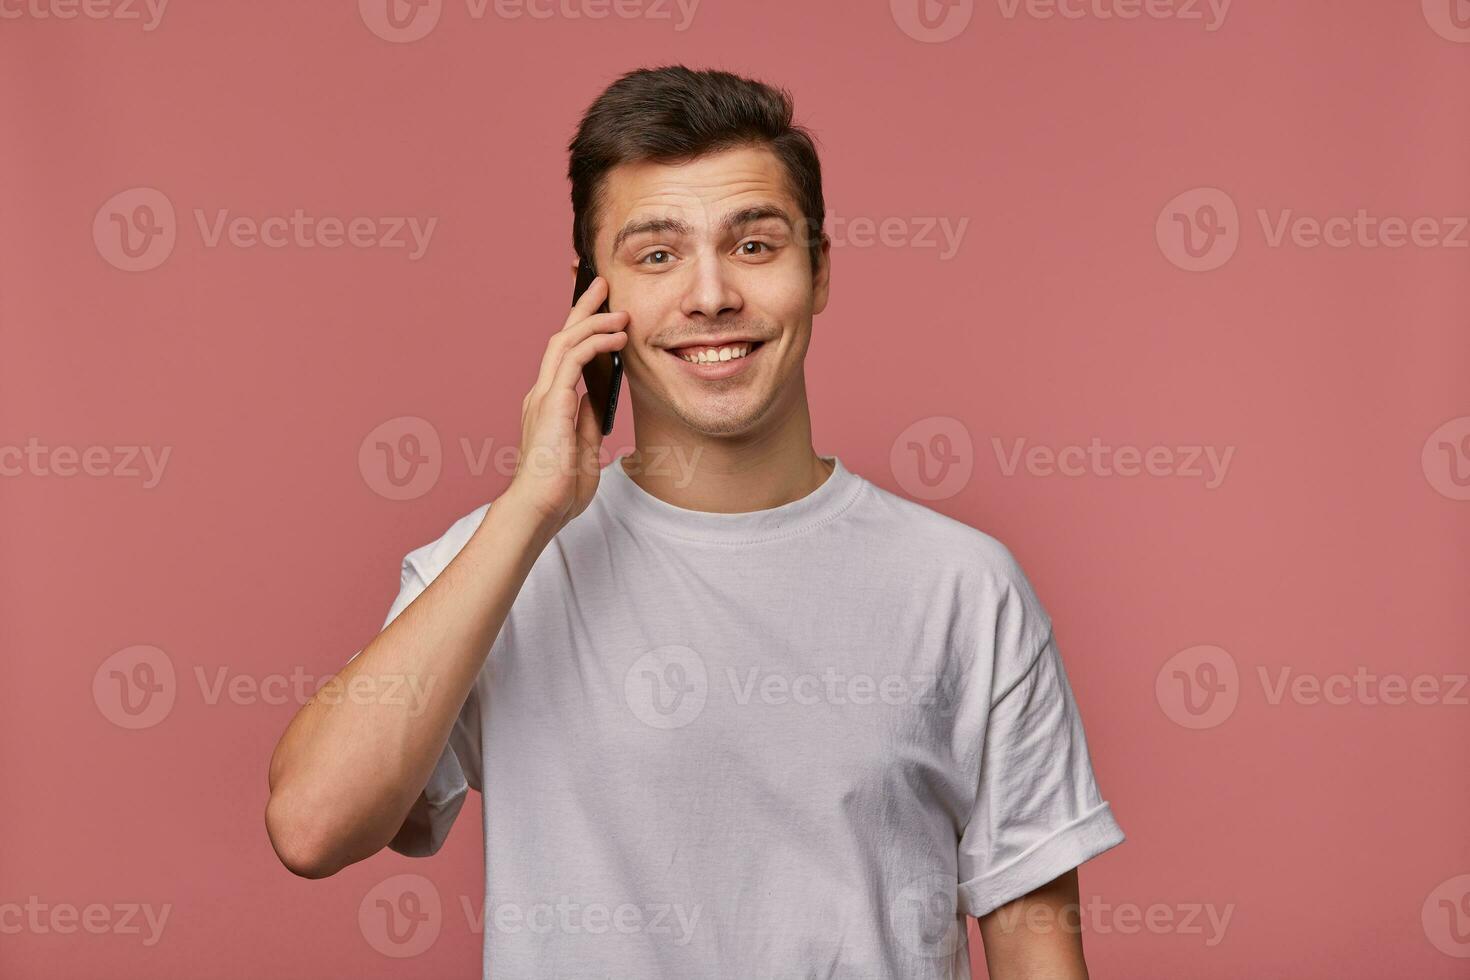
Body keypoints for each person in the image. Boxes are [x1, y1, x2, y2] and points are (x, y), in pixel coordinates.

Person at [265, 64, 1125, 979]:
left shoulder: (967, 589)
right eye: (657, 255)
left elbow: (1038, 949)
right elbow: (314, 825)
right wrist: (530, 508)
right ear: (591, 296)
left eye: (754, 246)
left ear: (820, 269)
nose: (711, 295)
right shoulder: (503, 564)